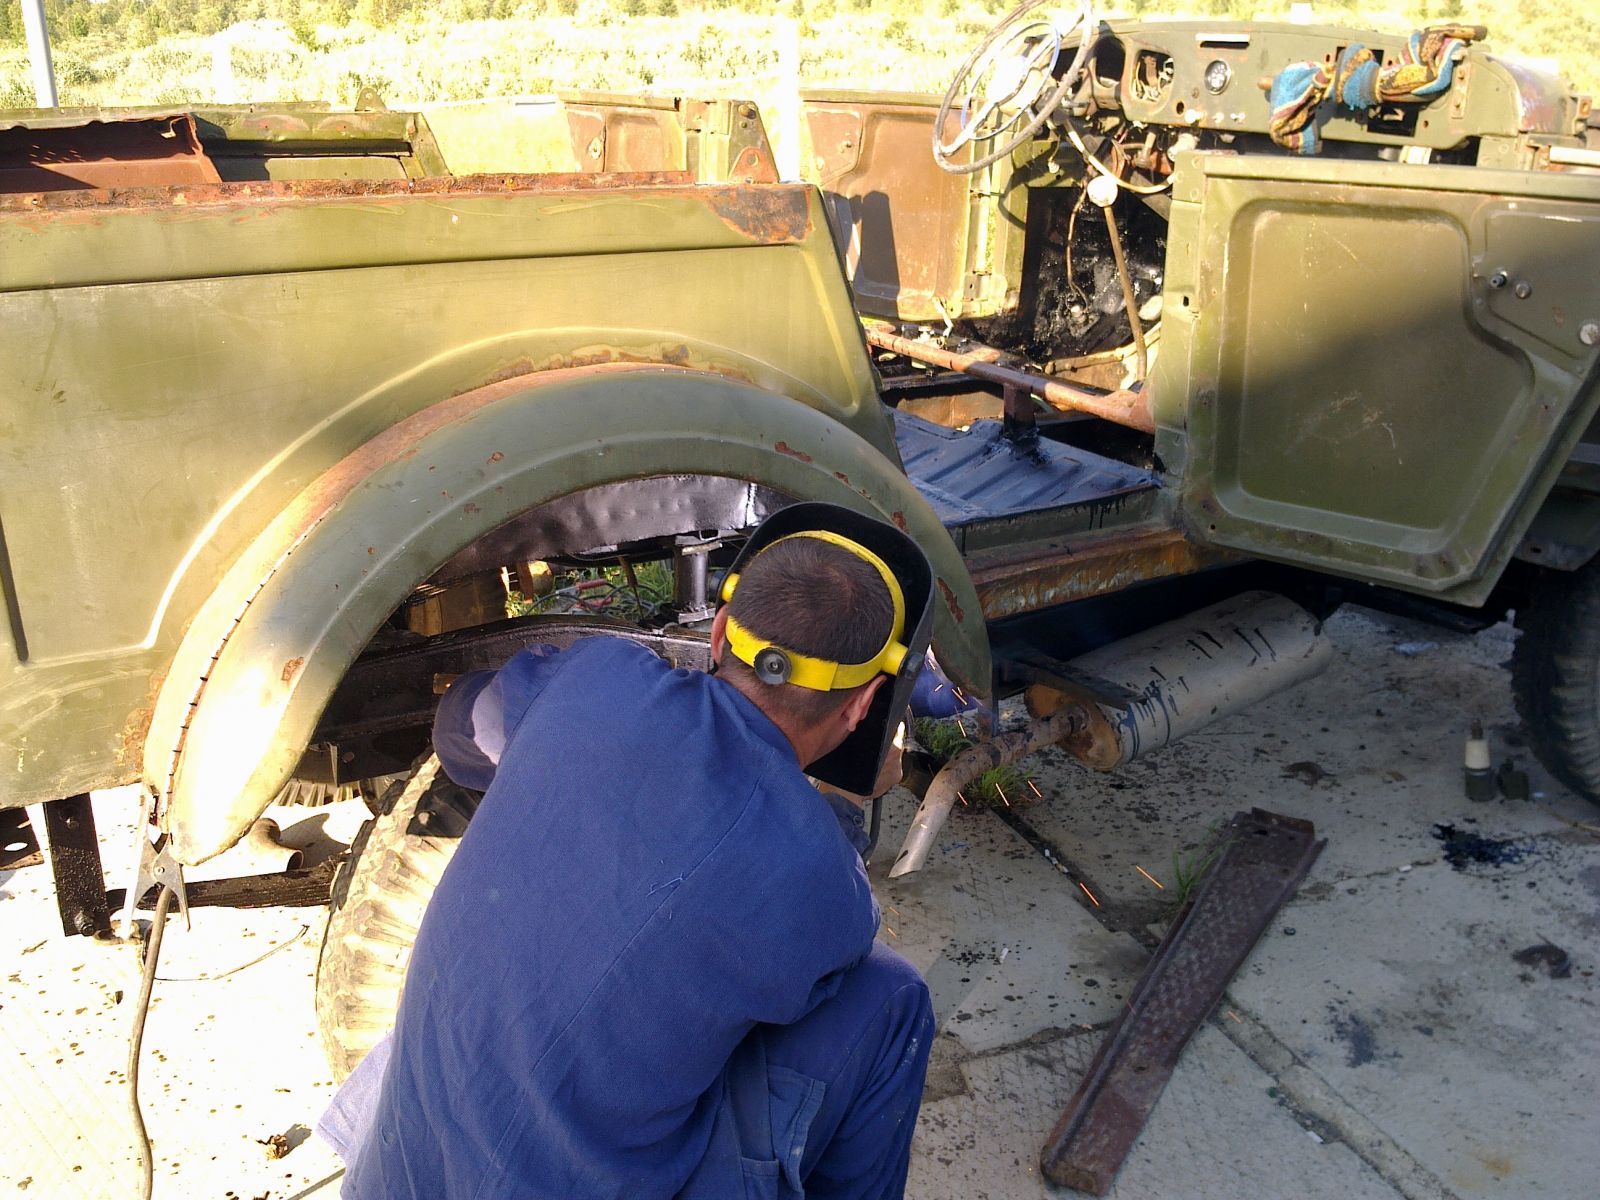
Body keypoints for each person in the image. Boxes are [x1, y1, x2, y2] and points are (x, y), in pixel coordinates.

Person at [326, 502, 940, 1199]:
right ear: (862, 706)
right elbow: (777, 922)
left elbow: (461, 727)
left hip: (390, 1176)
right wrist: (842, 806)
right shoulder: (823, 884)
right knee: (890, 1000)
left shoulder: (595, 677)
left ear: (719, 632)